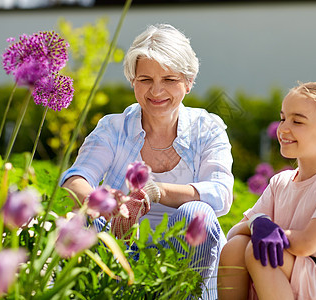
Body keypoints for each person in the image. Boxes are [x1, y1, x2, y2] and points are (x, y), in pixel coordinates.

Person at [60, 24, 234, 299]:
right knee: (83, 219)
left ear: (188, 83)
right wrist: (107, 204)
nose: (156, 91)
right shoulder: (113, 128)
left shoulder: (207, 128)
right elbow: (76, 179)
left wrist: (158, 191)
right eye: (145, 79)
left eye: (169, 79)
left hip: (189, 266)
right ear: (133, 81)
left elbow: (220, 194)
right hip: (124, 250)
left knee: (197, 213)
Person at [218, 81, 316, 300]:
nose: (284, 128)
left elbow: (306, 244)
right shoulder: (281, 182)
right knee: (236, 247)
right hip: (298, 276)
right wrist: (257, 222)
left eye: (297, 121)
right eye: (283, 118)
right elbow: (235, 233)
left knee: (261, 253)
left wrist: (269, 232)